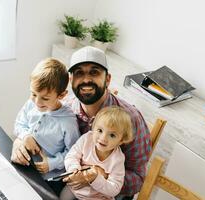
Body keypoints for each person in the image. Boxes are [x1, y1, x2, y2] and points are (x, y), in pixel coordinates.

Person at [63, 46, 152, 199]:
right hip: (69, 185)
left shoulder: (131, 119)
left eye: (94, 72)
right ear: (71, 80)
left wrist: (100, 176)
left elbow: (138, 179)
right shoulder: (65, 108)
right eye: (79, 73)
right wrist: (24, 138)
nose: (86, 80)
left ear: (108, 79)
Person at [10, 58, 80, 195]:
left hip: (50, 177)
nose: (37, 101)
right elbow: (19, 123)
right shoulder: (31, 104)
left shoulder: (68, 122)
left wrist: (52, 163)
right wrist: (25, 136)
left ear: (62, 95)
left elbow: (73, 152)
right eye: (33, 94)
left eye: (45, 98)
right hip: (26, 164)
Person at [60, 106, 134, 200]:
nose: (103, 138)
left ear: (121, 141)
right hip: (76, 189)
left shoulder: (117, 159)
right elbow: (71, 156)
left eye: (112, 135)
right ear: (93, 127)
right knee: (63, 196)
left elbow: (115, 188)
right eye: (100, 130)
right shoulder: (87, 139)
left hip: (98, 197)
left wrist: (95, 178)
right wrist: (74, 169)